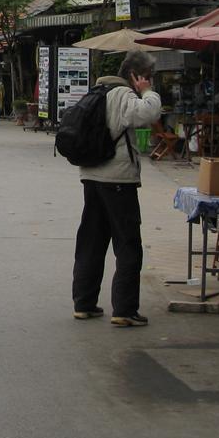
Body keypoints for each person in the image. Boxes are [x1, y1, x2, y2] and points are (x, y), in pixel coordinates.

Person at [72, 49, 162, 327]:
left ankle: (84, 303)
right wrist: (149, 92)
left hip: (92, 175)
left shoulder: (97, 90)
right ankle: (124, 309)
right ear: (136, 76)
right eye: (146, 77)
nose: (148, 81)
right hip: (118, 180)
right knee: (127, 243)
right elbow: (148, 114)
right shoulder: (122, 95)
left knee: (92, 240)